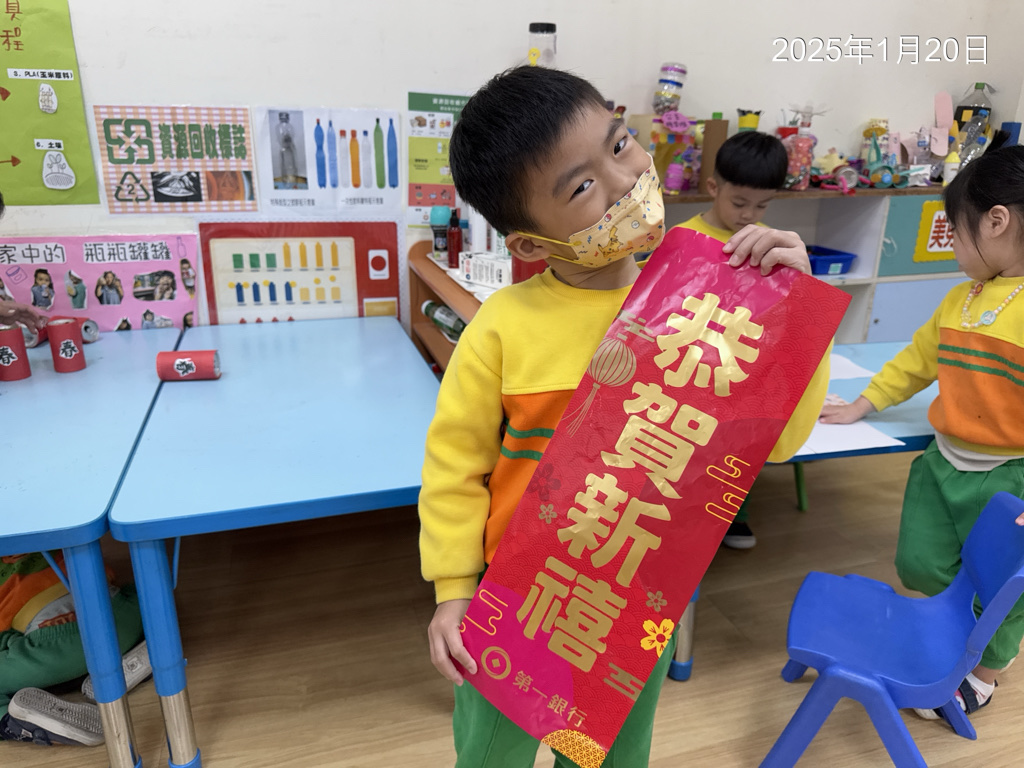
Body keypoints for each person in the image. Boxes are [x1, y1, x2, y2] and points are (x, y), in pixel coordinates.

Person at [419, 66, 827, 768]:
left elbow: (781, 442)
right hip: (514, 594)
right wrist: (454, 591)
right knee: (491, 755)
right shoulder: (503, 326)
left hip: (634, 598)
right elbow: (456, 466)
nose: (623, 182)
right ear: (528, 244)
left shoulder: (710, 305)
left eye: (619, 145)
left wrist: (796, 307)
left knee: (612, 756)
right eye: (581, 187)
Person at [821, 145, 1024, 720]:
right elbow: (916, 362)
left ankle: (985, 671)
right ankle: (952, 634)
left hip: (1010, 475)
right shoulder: (962, 298)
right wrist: (863, 404)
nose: (952, 245)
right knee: (920, 563)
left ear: (996, 221)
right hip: (943, 462)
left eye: (955, 232)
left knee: (1003, 583)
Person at [678, 131, 794, 550]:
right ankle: (679, 516)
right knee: (684, 448)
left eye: (762, 206)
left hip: (736, 363)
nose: (749, 215)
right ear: (714, 187)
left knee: (733, 448)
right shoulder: (684, 238)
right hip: (687, 361)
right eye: (740, 203)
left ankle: (730, 514)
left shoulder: (766, 244)